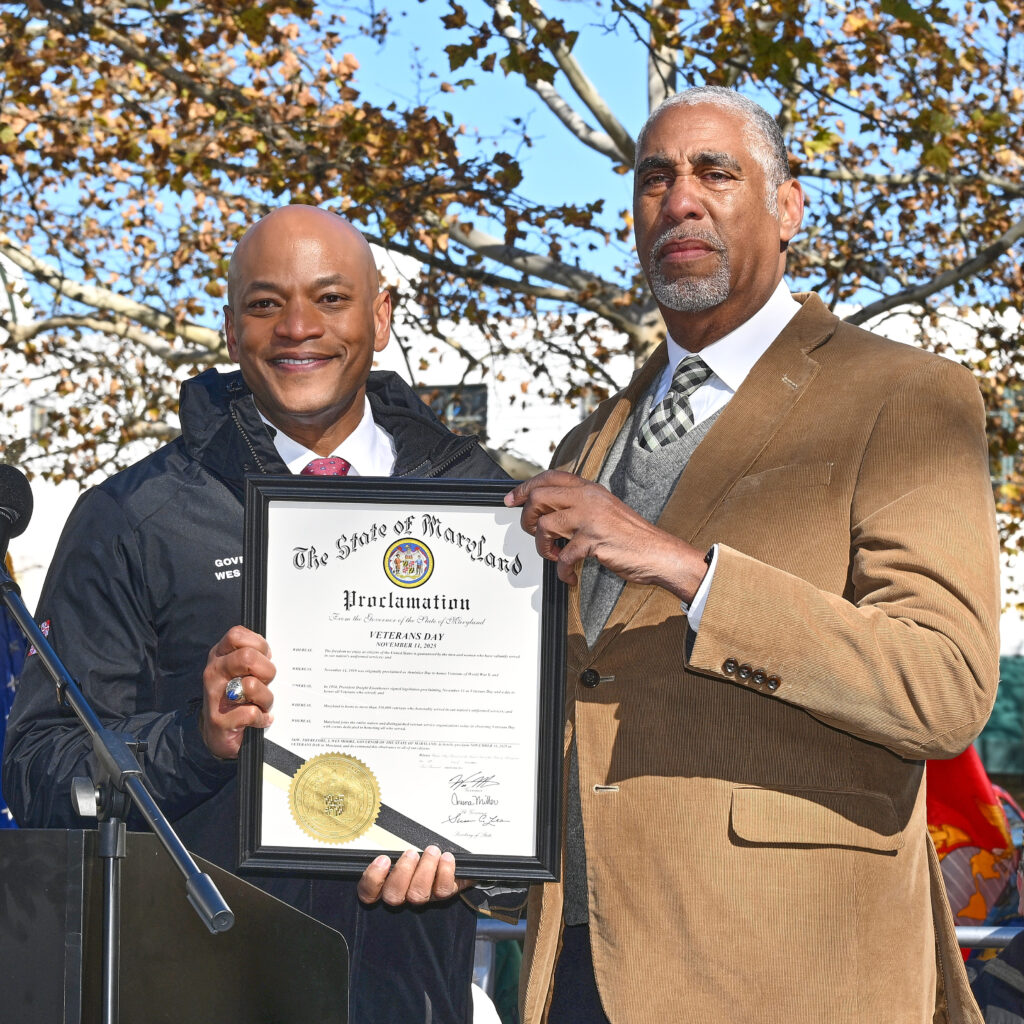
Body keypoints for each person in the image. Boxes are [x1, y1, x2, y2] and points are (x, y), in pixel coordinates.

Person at [500, 87, 999, 1022]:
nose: (679, 199)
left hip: (790, 972)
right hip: (579, 964)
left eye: (714, 172)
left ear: (788, 208)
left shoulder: (907, 397)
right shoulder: (589, 442)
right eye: (654, 178)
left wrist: (691, 573)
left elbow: (944, 688)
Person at [2, 205, 506, 1023]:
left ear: (379, 317)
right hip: (196, 985)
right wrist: (193, 743)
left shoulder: (488, 507)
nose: (298, 328)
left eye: (331, 299)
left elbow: (529, 752)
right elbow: (36, 768)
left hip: (409, 988)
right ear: (231, 330)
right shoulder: (133, 517)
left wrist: (483, 861)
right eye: (266, 304)